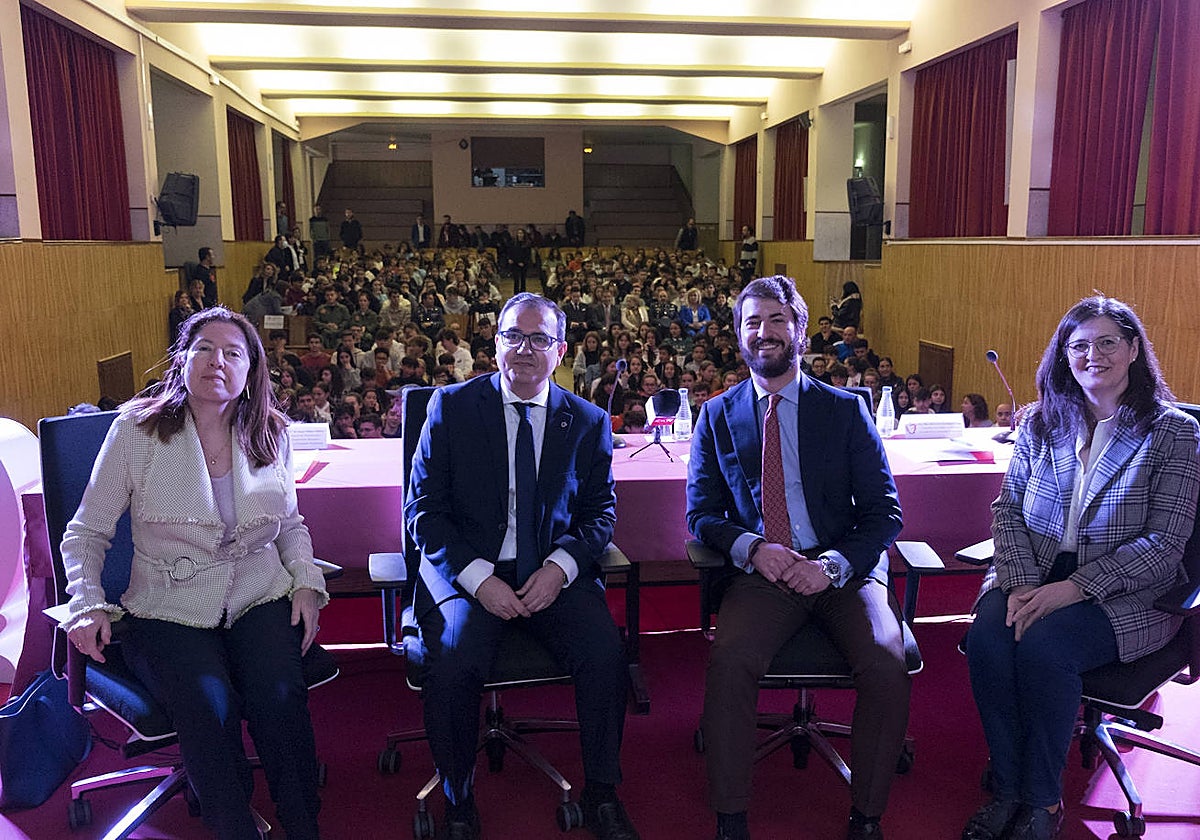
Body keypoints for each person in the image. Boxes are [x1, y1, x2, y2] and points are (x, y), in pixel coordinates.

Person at [60, 307, 328, 840]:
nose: (216, 362)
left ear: (251, 369)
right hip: (168, 604)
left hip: (256, 593)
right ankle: (234, 828)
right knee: (209, 706)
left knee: (279, 696)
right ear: (181, 359)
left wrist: (305, 579)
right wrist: (86, 601)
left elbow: (290, 524)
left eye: (233, 353)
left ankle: (303, 824)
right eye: (203, 348)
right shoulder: (137, 431)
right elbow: (86, 532)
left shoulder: (270, 431)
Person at [961, 296, 1200, 840]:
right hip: (1033, 572)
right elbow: (1007, 510)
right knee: (988, 639)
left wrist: (1073, 589)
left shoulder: (1173, 432)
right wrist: (1023, 583)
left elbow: (1164, 543)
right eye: (1080, 346)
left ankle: (1043, 802)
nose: (1094, 355)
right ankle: (1009, 787)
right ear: (1064, 357)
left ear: (1134, 349)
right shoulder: (1041, 422)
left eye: (1108, 342)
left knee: (1046, 647)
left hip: (1130, 591)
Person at [406, 292, 640, 840]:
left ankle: (602, 794)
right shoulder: (452, 409)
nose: (524, 349)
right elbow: (424, 512)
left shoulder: (587, 421)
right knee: (453, 663)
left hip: (550, 574)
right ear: (495, 345)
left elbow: (600, 514)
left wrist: (560, 568)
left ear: (560, 350)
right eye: (513, 336)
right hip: (470, 575)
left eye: (539, 339)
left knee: (606, 655)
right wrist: (478, 579)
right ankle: (458, 802)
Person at [686, 275, 908, 840]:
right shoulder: (716, 415)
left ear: (801, 332)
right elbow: (701, 516)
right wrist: (754, 548)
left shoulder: (845, 410)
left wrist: (830, 565)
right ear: (738, 334)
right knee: (730, 661)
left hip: (843, 570)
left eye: (777, 320)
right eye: (753, 322)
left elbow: (884, 513)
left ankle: (867, 816)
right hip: (764, 572)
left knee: (886, 663)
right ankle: (731, 817)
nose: (765, 332)